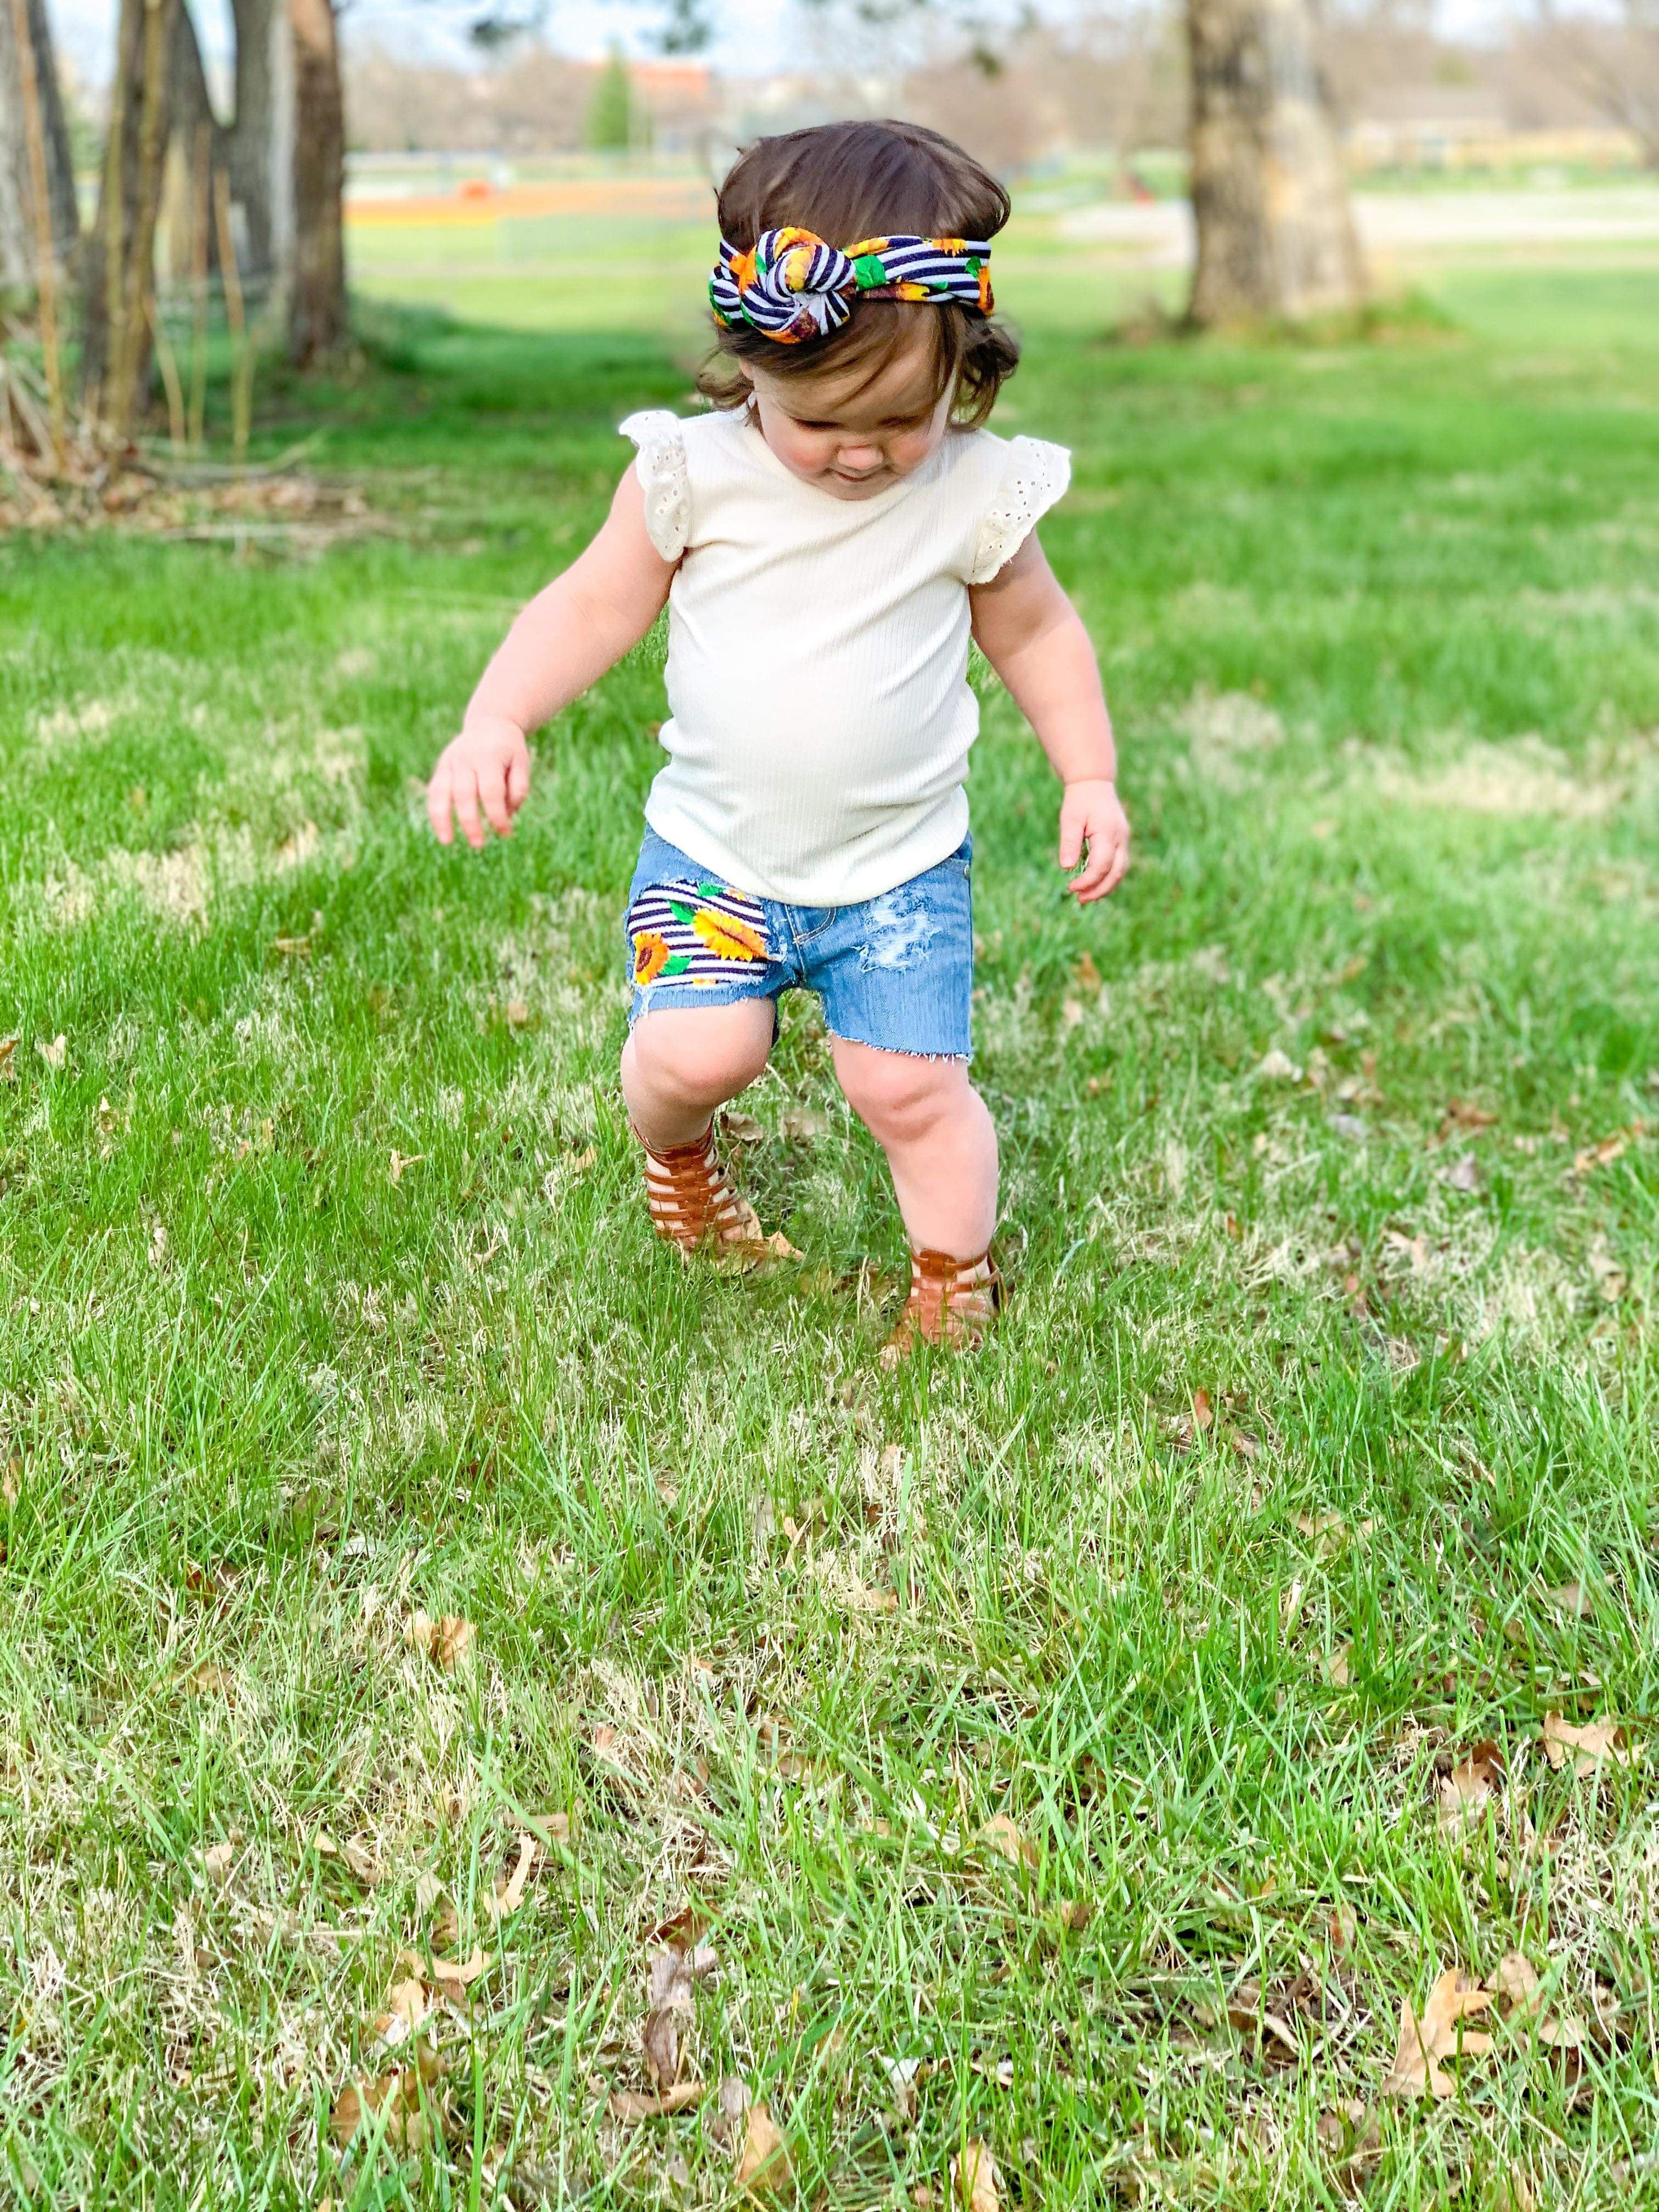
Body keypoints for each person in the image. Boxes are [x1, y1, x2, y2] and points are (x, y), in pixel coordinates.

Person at [426, 118, 1129, 1359]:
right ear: (751, 366)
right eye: (822, 423)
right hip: (714, 861)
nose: (862, 453)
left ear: (961, 368)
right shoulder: (692, 475)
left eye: (901, 420)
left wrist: (1090, 770)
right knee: (696, 1053)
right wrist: (498, 716)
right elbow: (589, 605)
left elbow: (1039, 633)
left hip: (901, 871)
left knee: (908, 1088)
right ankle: (682, 1167)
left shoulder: (971, 487)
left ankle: (952, 1281)